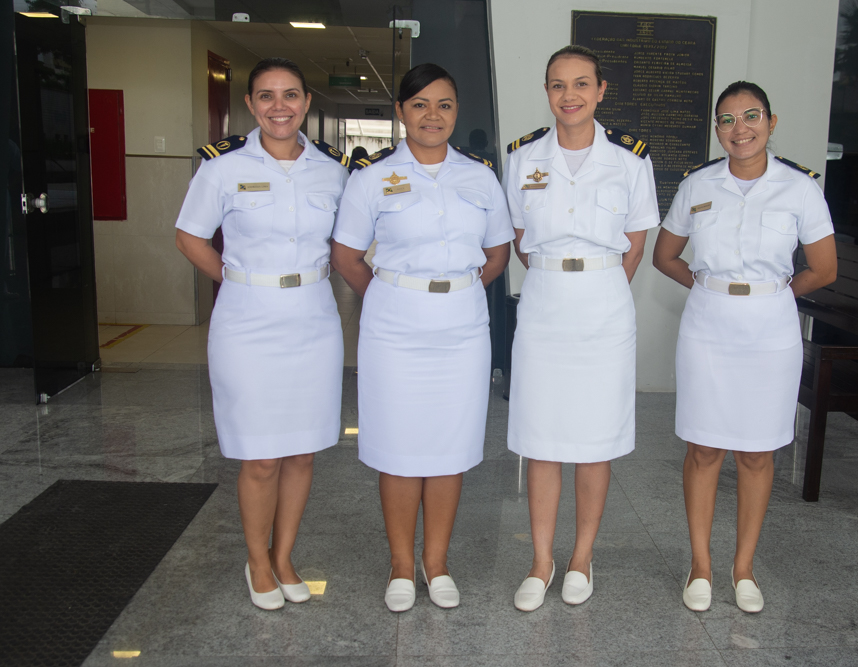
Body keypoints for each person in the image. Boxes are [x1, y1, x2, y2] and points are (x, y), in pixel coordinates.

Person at [331, 63, 513, 613]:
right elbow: (345, 255)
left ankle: (437, 563)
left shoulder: (480, 177)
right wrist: (391, 292)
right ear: (401, 112)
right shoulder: (370, 179)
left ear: (457, 111)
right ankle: (401, 567)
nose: (432, 115)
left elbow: (498, 250)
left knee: (449, 449)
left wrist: (456, 290)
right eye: (420, 105)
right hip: (394, 329)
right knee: (399, 449)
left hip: (461, 329)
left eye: (445, 104)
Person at [652, 81, 838, 613]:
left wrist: (775, 293)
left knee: (757, 452)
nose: (741, 129)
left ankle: (744, 570)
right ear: (718, 129)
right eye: (728, 120)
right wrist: (712, 289)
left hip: (770, 331)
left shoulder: (799, 188)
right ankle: (702, 567)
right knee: (704, 447)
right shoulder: (698, 185)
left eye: (751, 116)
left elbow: (823, 269)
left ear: (771, 122)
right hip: (708, 327)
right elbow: (666, 256)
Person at [175, 58, 351, 611]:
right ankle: (257, 561)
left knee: (301, 452)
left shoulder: (332, 169)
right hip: (247, 321)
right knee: (261, 457)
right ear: (251, 104)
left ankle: (284, 556)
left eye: (291, 95)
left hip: (314, 318)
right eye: (268, 96)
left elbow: (351, 240)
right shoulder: (222, 168)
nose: (281, 106)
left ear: (306, 101)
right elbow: (190, 237)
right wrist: (234, 278)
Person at [504, 45, 659, 611]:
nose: (568, 95)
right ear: (547, 92)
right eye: (556, 85)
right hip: (544, 304)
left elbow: (637, 242)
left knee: (595, 441)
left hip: (604, 307)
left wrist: (597, 283)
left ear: (600, 91)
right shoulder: (522, 158)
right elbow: (520, 238)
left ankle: (580, 558)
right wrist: (555, 275)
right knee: (542, 441)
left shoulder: (630, 161)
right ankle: (541, 560)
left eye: (580, 84)